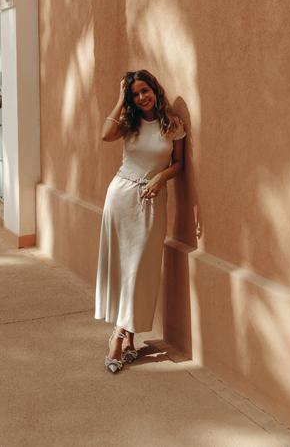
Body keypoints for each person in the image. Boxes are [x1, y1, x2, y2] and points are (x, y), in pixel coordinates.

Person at [95, 69, 186, 373]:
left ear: (155, 89)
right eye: (135, 94)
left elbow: (178, 164)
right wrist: (120, 99)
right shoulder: (129, 123)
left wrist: (161, 177)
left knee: (140, 269)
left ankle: (122, 334)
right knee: (123, 268)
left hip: (151, 201)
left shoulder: (172, 124)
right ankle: (123, 338)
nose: (142, 97)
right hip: (120, 196)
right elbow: (106, 134)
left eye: (145, 90)